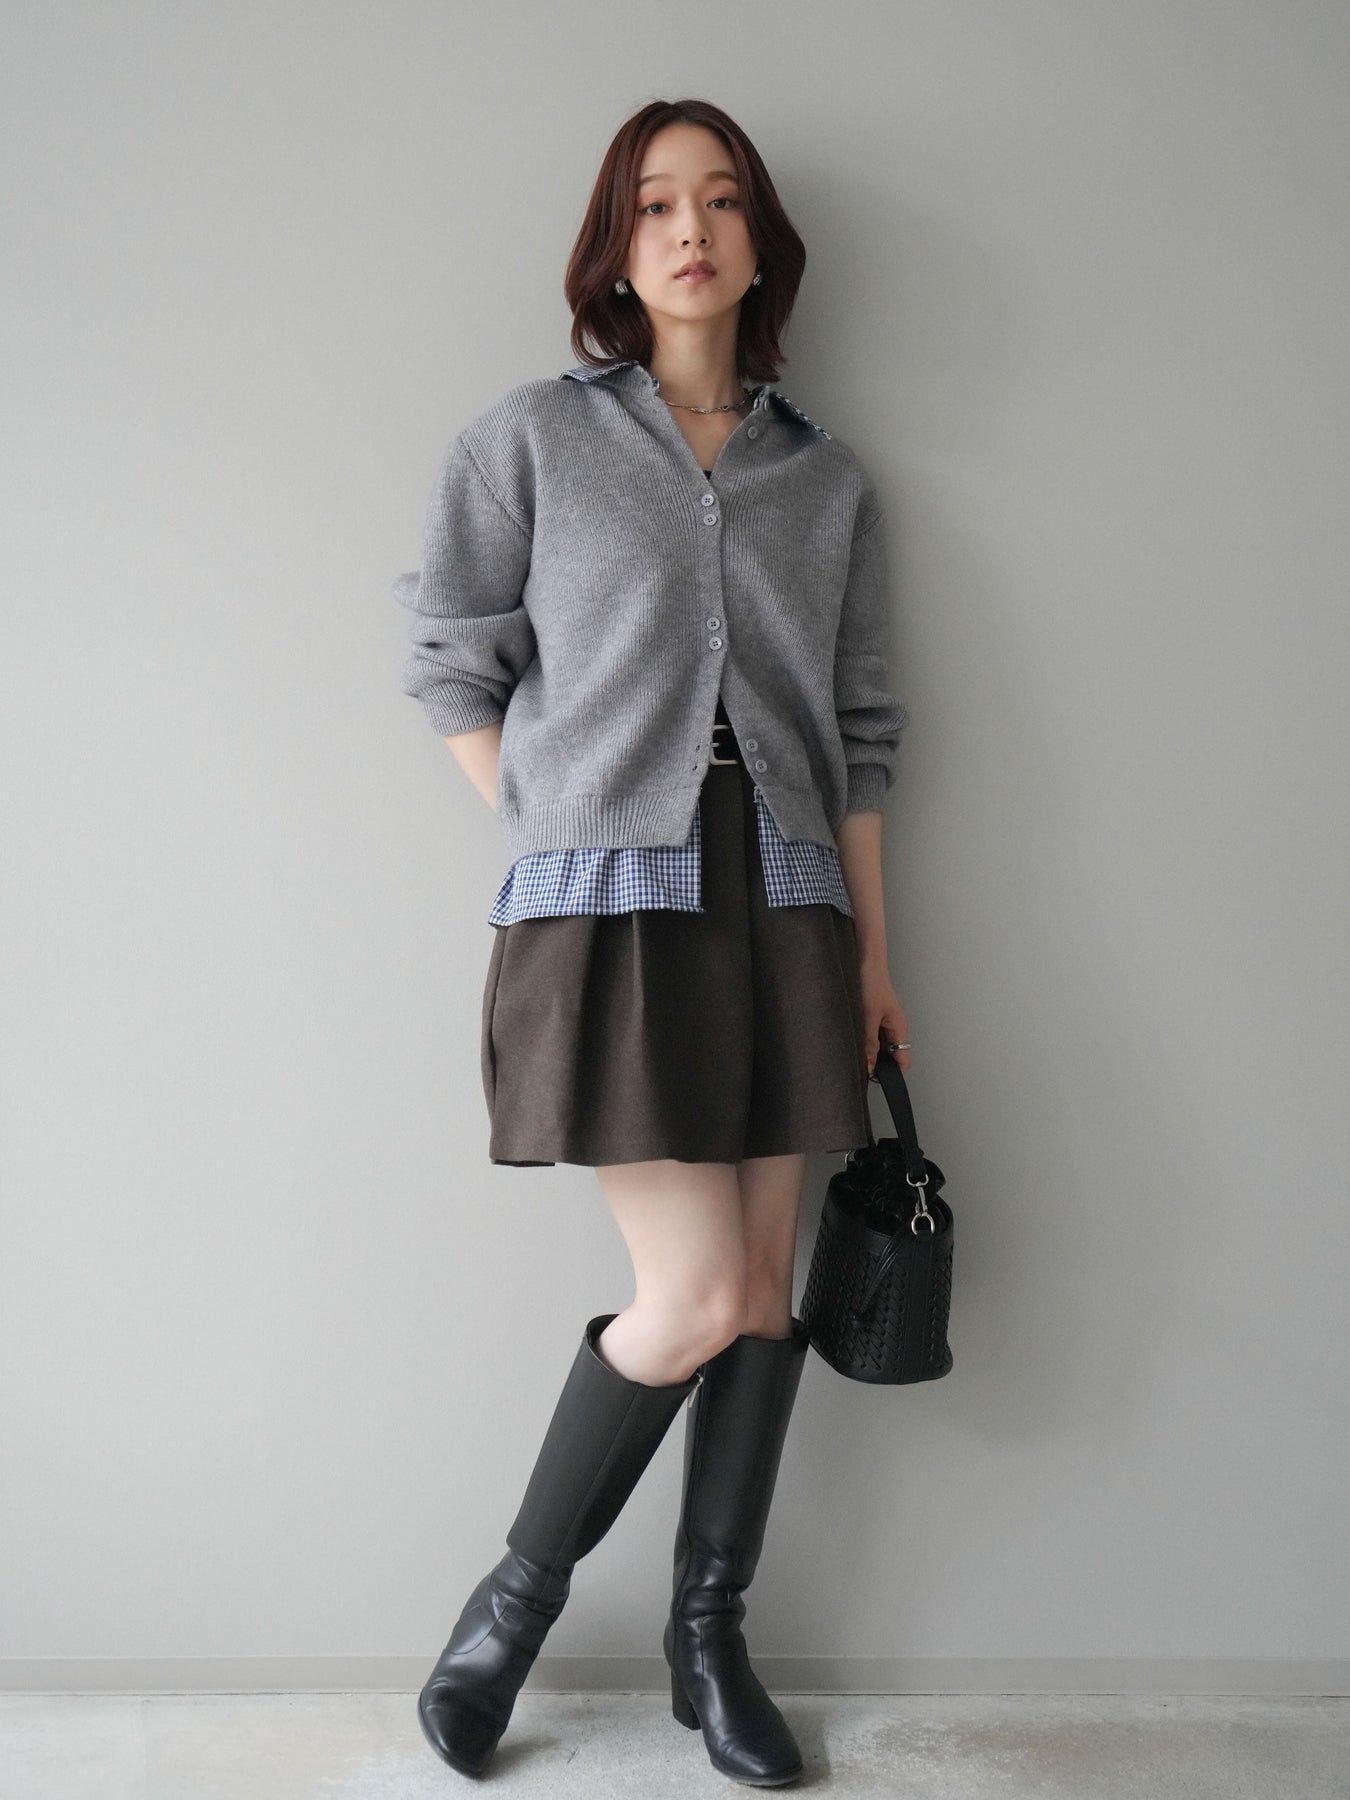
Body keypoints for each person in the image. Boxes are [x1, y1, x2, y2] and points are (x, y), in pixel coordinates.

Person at [392, 96, 913, 1786]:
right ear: (616, 248)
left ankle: (710, 1637)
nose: (691, 229)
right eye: (655, 204)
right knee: (689, 1296)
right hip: (611, 902)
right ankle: (509, 1613)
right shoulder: (530, 441)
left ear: (760, 244)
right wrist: (553, 830)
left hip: (788, 896)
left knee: (759, 1301)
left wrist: (875, 958)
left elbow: (860, 735)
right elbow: (449, 663)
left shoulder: (823, 477)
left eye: (722, 201)